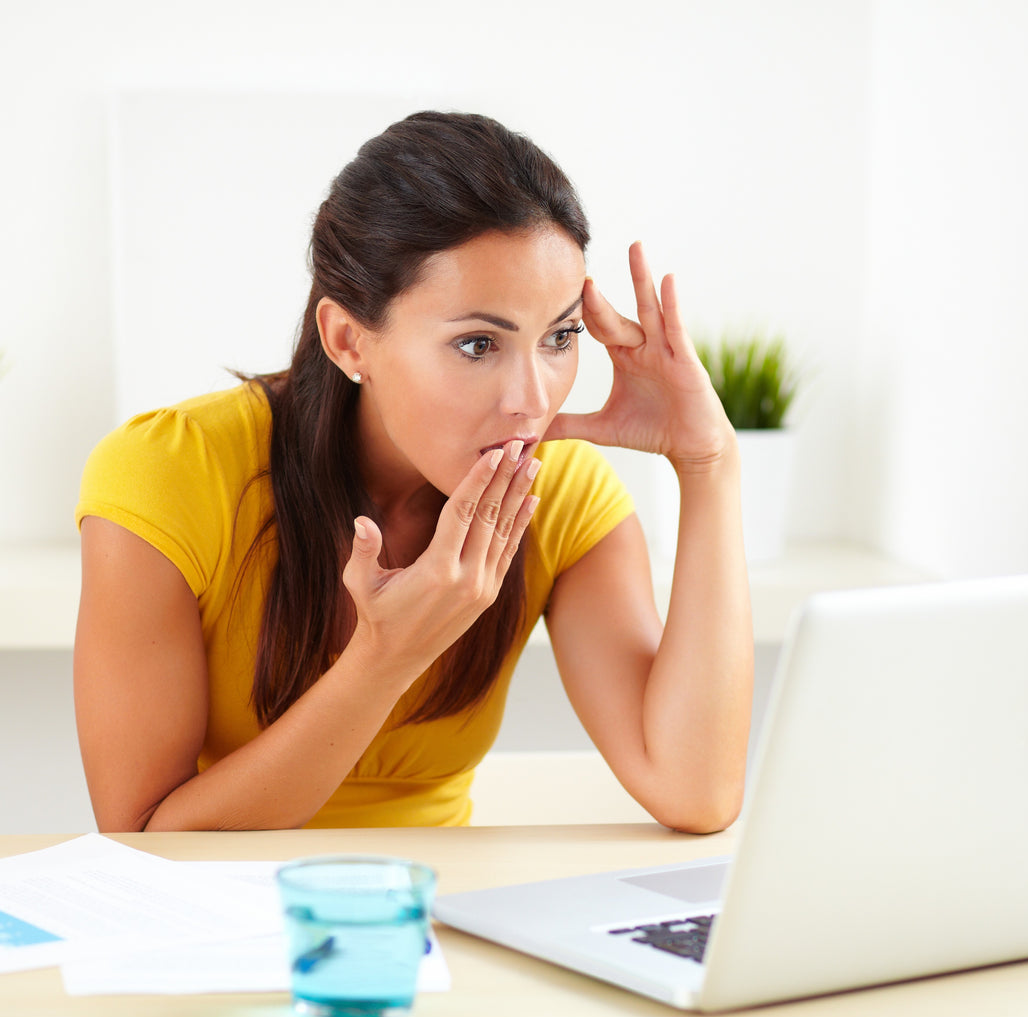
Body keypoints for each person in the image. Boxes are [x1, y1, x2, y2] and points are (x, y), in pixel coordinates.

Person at [74, 111, 753, 834]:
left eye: (559, 337)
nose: (531, 400)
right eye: (477, 345)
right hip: (221, 920)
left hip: (437, 913)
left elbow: (696, 792)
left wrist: (710, 465)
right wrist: (384, 658)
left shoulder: (560, 495)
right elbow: (142, 843)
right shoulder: (169, 475)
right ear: (348, 340)